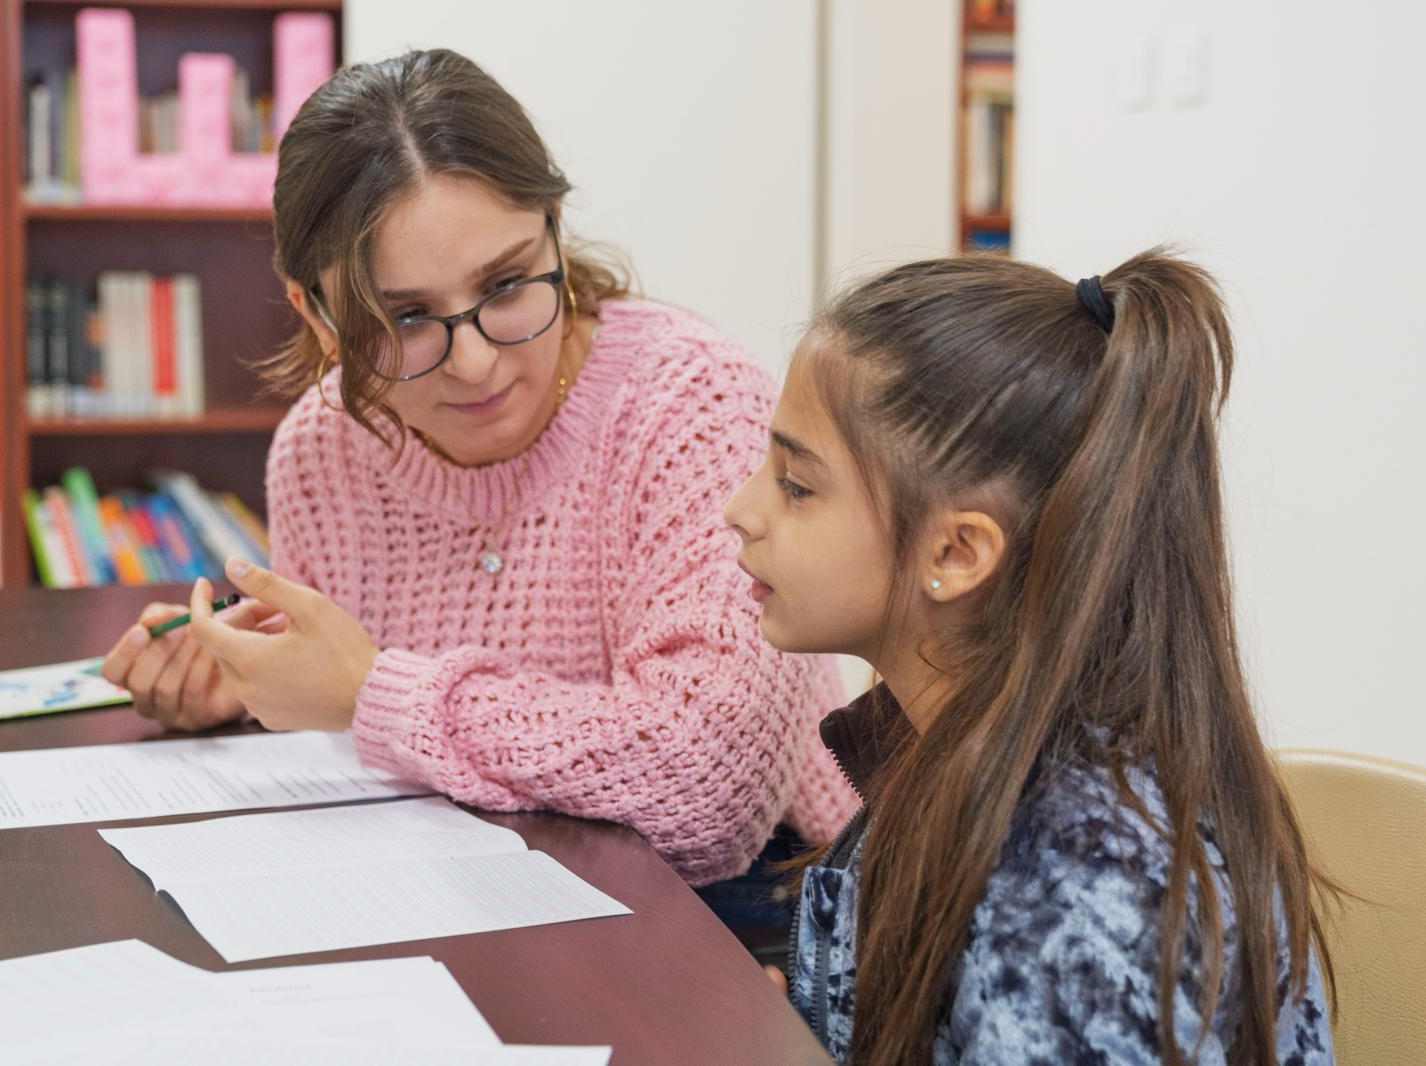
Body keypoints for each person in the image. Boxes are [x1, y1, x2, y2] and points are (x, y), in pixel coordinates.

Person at [98, 49, 855, 893]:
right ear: (317, 316)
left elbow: (705, 794)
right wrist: (252, 691)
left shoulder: (694, 406)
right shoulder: (320, 451)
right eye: (405, 318)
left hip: (750, 898)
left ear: (555, 230)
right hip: (454, 890)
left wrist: (371, 692)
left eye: (506, 284)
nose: (475, 363)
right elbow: (349, 742)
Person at [724, 251, 1337, 1062]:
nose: (740, 509)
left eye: (797, 485)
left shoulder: (1081, 888)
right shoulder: (962, 750)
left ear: (956, 553)